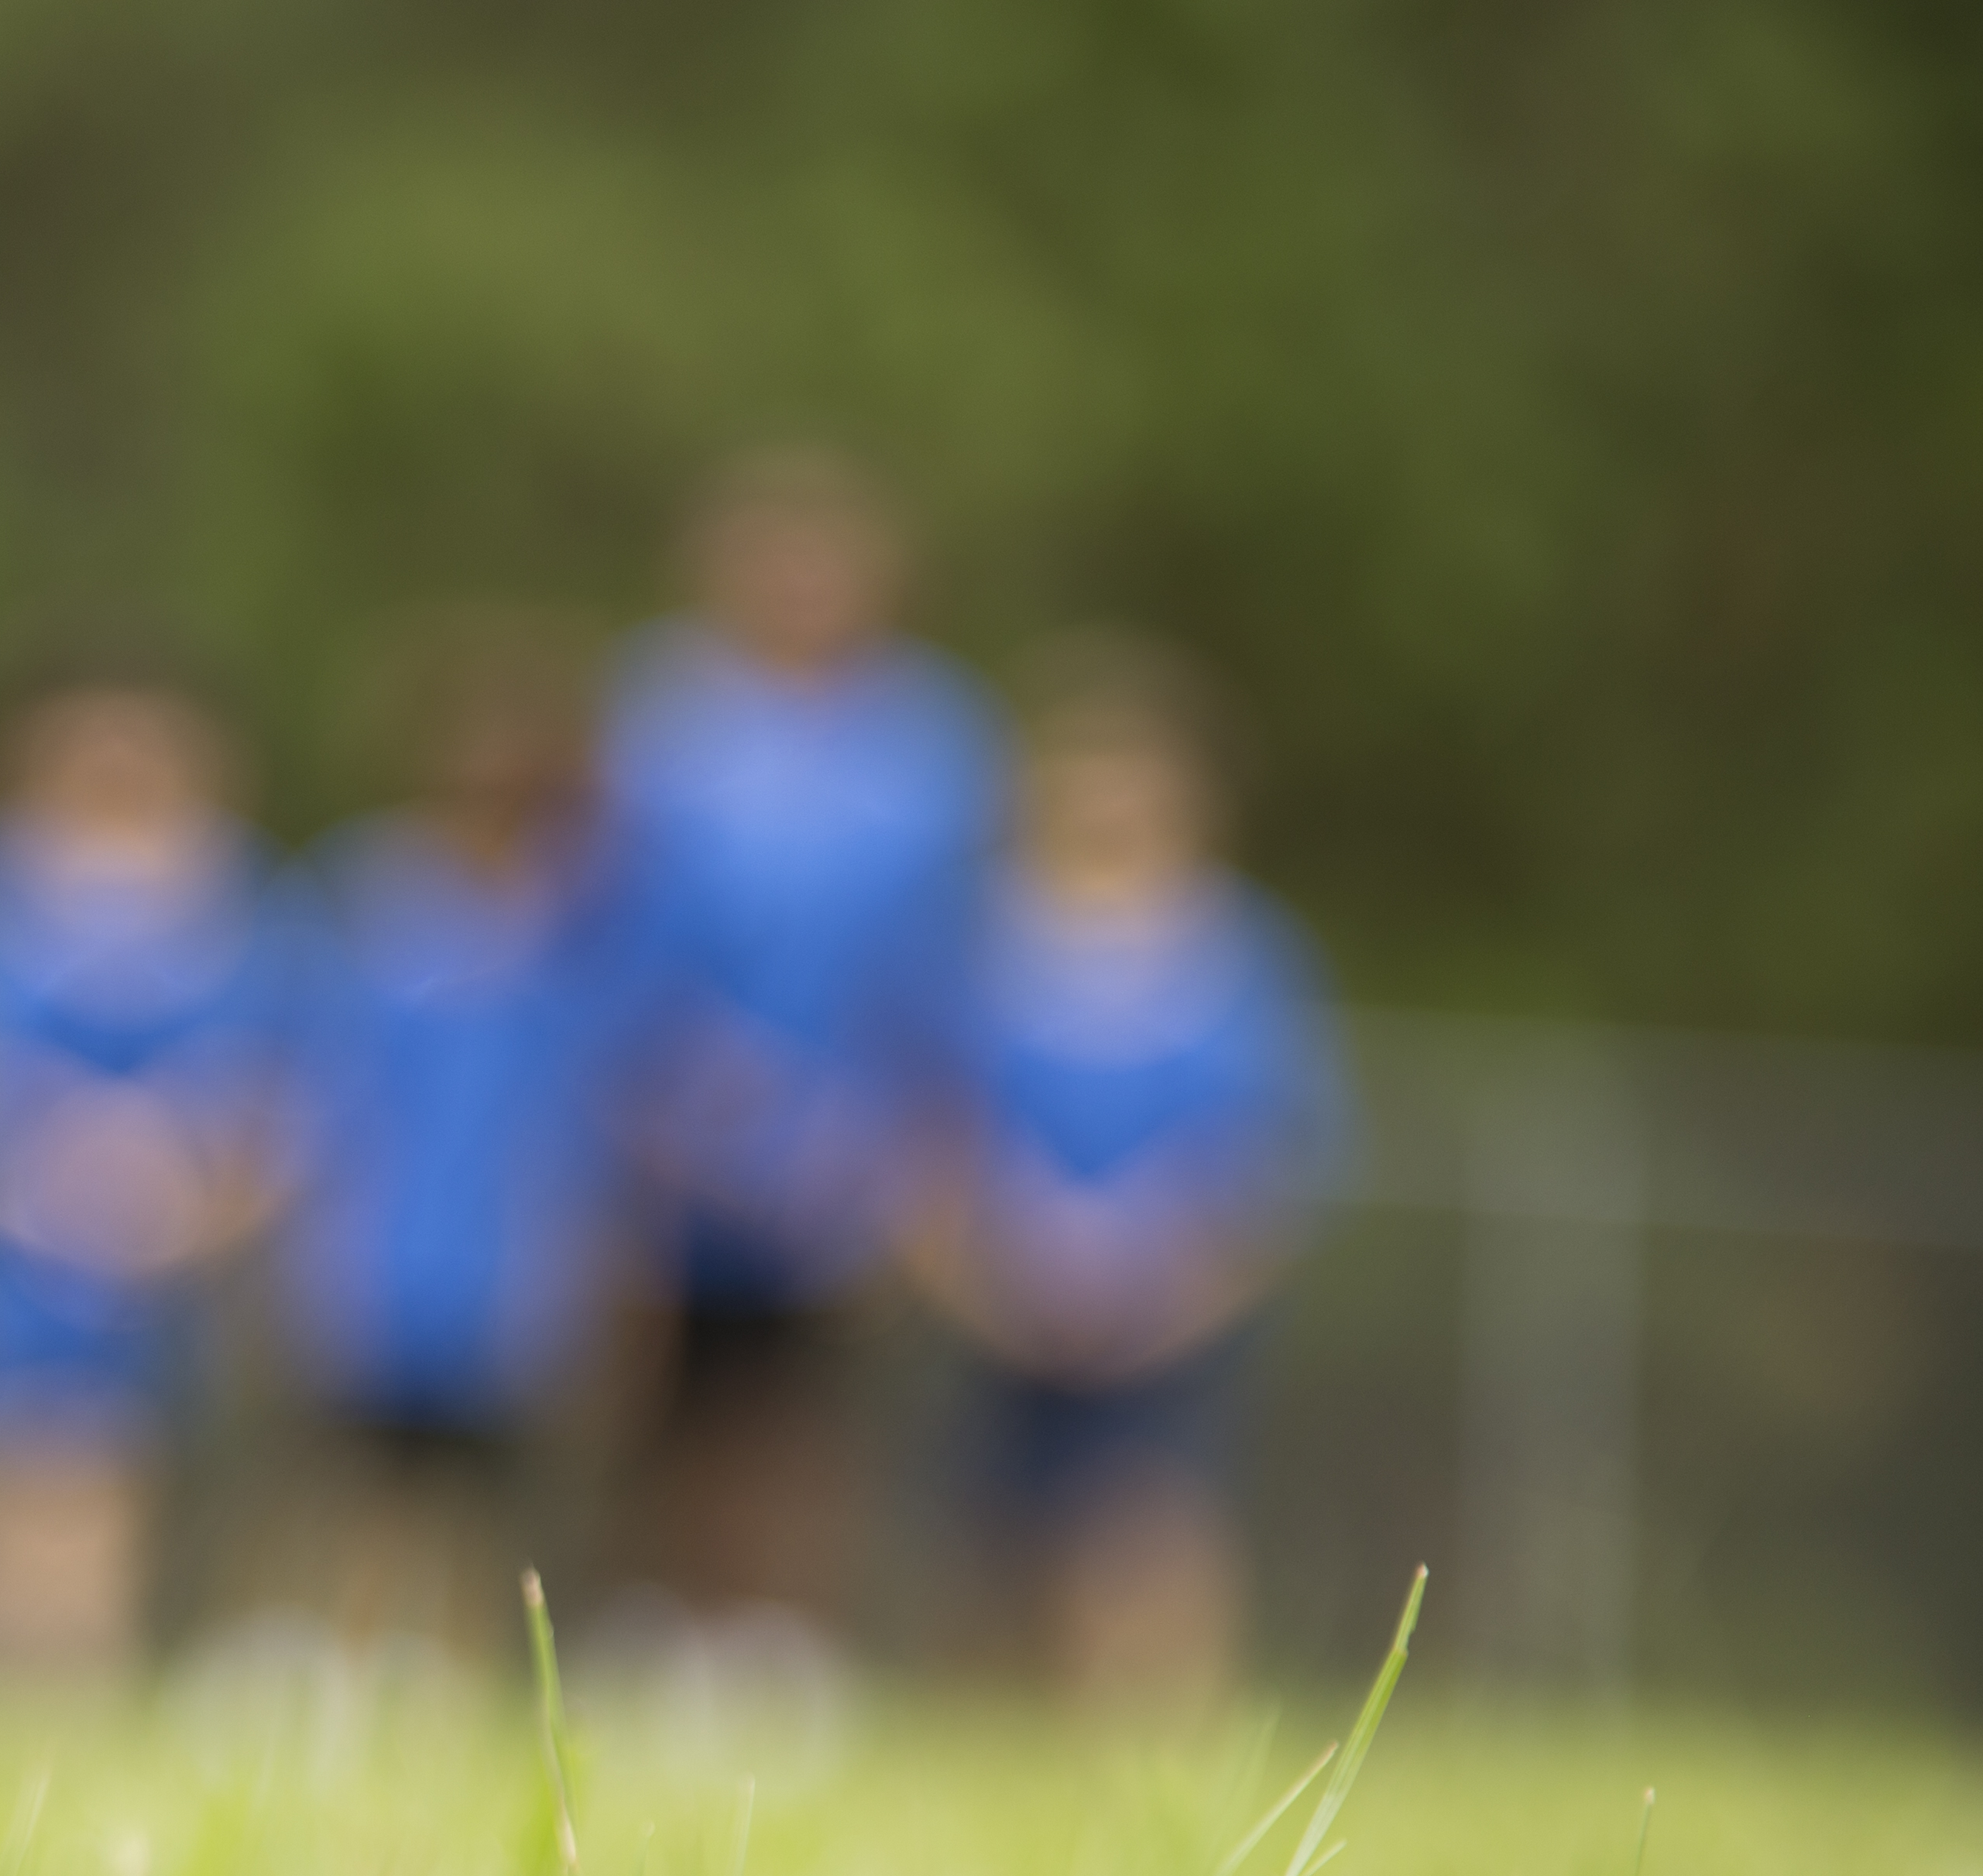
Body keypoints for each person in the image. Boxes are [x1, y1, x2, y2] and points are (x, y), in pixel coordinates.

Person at [603, 450, 1001, 1663]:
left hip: (847, 1137)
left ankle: (786, 1642)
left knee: (806, 1401)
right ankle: (660, 1627)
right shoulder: (660, 714)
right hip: (667, 1126)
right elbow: (612, 913)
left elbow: (951, 948)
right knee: (657, 1390)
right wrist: (664, 1082)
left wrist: (898, 1118)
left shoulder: (933, 742)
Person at [904, 640, 1344, 1708]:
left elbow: (1274, 1160)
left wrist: (1169, 1295)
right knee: (995, 1544)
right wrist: (986, 1285)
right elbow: (921, 1136)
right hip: (1004, 1314)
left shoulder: (1237, 955)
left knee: (1145, 1531)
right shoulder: (982, 943)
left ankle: (1159, 1754)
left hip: (1171, 1323)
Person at [266, 616, 665, 1655]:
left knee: (499, 1509)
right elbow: (315, 1083)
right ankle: (346, 1674)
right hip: (381, 1257)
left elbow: (607, 1095)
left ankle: (464, 1676)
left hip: (519, 1265)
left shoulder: (586, 915)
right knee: (363, 1494)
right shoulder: (368, 892)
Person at [0, 657, 281, 1672]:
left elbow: (278, 1091)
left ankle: (87, 1669)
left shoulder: (234, 908)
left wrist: (189, 1208)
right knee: (1, 1462)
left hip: (164, 1263)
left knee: (113, 1468)